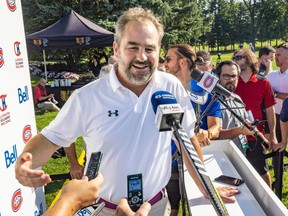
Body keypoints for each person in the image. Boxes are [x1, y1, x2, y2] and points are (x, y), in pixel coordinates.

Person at [15, 7, 239, 216]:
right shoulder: (87, 97)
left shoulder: (170, 87)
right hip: (105, 209)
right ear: (116, 48)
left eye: (149, 49)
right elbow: (49, 139)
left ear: (158, 51)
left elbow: (186, 142)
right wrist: (25, 162)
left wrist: (207, 188)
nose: (141, 57)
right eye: (133, 47)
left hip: (156, 206)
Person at [164, 45, 221, 216]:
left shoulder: (207, 90)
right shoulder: (163, 89)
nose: (164, 63)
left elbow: (216, 126)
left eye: (168, 59)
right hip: (165, 163)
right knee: (170, 208)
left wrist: (207, 133)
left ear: (182, 62)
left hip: (194, 159)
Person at [233, 48, 277, 187]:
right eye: (234, 58)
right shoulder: (231, 83)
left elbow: (270, 110)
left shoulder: (263, 83)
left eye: (238, 57)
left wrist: (273, 135)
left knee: (261, 171)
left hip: (256, 136)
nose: (235, 61)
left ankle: (269, 202)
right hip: (235, 135)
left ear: (249, 59)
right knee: (238, 172)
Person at [215, 60, 269, 155]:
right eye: (226, 76)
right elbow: (215, 135)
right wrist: (240, 130)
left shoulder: (237, 99)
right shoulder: (213, 102)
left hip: (242, 152)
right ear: (218, 77)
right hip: (223, 156)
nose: (230, 80)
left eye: (233, 76)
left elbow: (247, 123)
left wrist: (263, 139)